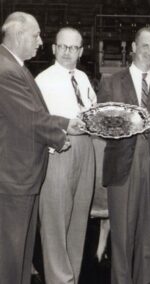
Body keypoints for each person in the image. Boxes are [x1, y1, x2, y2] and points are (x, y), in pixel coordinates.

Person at [0, 12, 84, 284]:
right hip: (14, 178)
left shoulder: (17, 67)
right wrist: (61, 136)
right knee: (10, 255)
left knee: (21, 253)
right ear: (18, 34)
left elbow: (33, 113)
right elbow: (30, 118)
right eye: (36, 35)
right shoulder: (6, 70)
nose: (40, 41)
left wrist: (65, 123)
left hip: (22, 176)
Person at [97, 26, 150, 284]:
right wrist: (124, 124)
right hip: (122, 166)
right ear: (133, 47)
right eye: (145, 46)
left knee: (147, 239)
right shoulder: (111, 81)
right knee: (121, 238)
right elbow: (101, 124)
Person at [35, 27, 97, 284]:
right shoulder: (42, 80)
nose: (67, 52)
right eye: (62, 46)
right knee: (55, 224)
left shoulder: (82, 77)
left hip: (86, 149)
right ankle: (59, 280)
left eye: (73, 48)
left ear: (81, 51)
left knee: (78, 221)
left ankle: (73, 277)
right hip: (58, 150)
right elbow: (38, 121)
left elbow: (92, 110)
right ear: (53, 48)